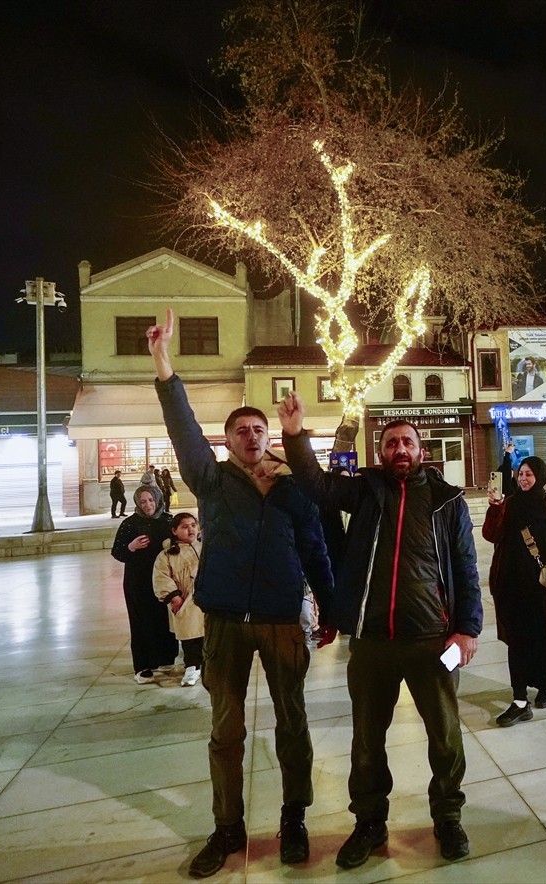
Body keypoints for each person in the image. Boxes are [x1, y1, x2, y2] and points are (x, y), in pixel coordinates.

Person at [147, 310, 336, 878]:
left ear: (269, 437)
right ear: (227, 442)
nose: (251, 437)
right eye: (240, 431)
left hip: (281, 620)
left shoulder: (292, 489)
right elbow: (182, 427)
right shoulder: (211, 481)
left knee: (292, 725)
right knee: (225, 731)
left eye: (259, 429)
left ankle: (294, 818)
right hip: (226, 621)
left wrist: (330, 606)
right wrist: (163, 362)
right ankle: (227, 828)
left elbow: (316, 549)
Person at [278, 393, 482, 870]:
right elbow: (314, 484)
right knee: (367, 741)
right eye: (391, 444)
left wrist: (467, 629)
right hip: (371, 641)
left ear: (421, 451)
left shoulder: (447, 500)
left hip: (431, 640)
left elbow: (466, 568)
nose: (400, 450)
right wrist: (294, 434)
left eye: (407, 442)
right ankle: (369, 822)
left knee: (445, 737)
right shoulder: (365, 489)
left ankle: (448, 818)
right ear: (381, 451)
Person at [482, 455, 546, 726]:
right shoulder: (509, 505)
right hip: (512, 586)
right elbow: (491, 534)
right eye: (520, 474)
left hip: (542, 589)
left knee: (544, 640)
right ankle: (520, 698)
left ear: (540, 477)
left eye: (528, 474)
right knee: (517, 643)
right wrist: (495, 508)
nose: (523, 479)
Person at [111, 483, 176, 684]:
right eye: (142, 501)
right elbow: (117, 552)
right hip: (138, 581)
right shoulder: (130, 524)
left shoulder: (167, 520)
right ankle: (143, 665)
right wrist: (131, 546)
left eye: (150, 500)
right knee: (141, 621)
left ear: (157, 500)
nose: (147, 505)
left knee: (164, 620)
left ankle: (166, 658)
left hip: (164, 580)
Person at [153, 512, 206, 687]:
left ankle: (209, 665)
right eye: (185, 527)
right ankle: (192, 666)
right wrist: (174, 597)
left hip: (207, 600)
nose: (190, 529)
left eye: (193, 525)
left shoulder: (204, 548)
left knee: (209, 634)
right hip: (185, 601)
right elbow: (161, 577)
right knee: (190, 636)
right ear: (174, 531)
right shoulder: (167, 554)